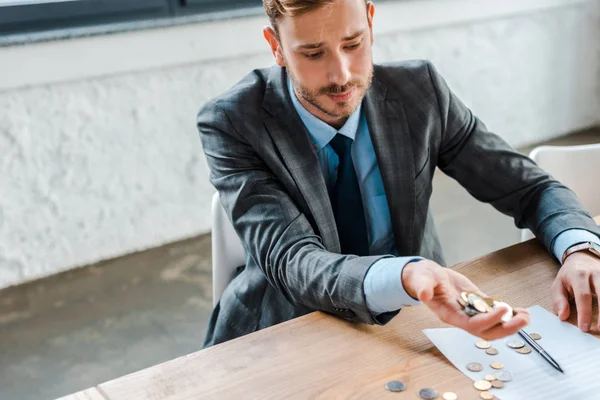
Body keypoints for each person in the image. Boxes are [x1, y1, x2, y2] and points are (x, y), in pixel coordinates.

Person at [197, 0, 600, 348]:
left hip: (417, 318)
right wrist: (406, 275)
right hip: (287, 326)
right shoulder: (233, 121)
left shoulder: (419, 91)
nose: (340, 75)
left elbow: (528, 186)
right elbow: (293, 260)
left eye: (353, 44)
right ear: (277, 47)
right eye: (313, 53)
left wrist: (580, 249)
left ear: (370, 21)